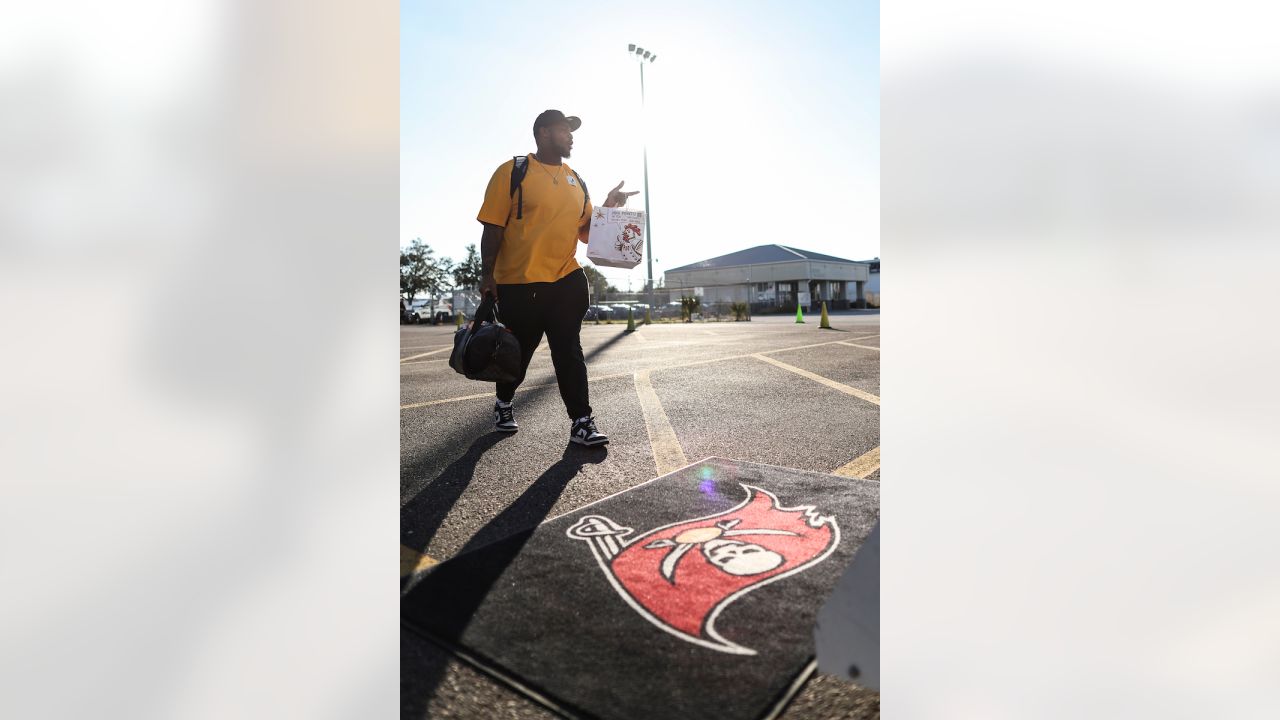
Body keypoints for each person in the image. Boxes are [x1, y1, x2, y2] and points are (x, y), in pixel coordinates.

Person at [475, 109, 637, 446]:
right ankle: (504, 402)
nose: (571, 136)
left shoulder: (576, 180)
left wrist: (609, 205)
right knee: (518, 355)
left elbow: (588, 233)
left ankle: (582, 421)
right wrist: (487, 275)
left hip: (566, 279)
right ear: (544, 133)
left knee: (568, 351)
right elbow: (493, 227)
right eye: (565, 130)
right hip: (519, 283)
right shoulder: (512, 172)